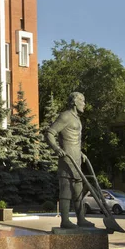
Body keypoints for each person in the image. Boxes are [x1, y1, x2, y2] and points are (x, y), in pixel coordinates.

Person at [45, 92, 95, 229]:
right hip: (67, 160)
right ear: (74, 102)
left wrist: (80, 152)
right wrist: (56, 149)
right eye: (82, 101)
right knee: (66, 190)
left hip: (77, 159)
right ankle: (65, 221)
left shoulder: (77, 119)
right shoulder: (65, 116)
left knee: (78, 190)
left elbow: (74, 140)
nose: (84, 104)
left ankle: (81, 219)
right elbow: (50, 133)